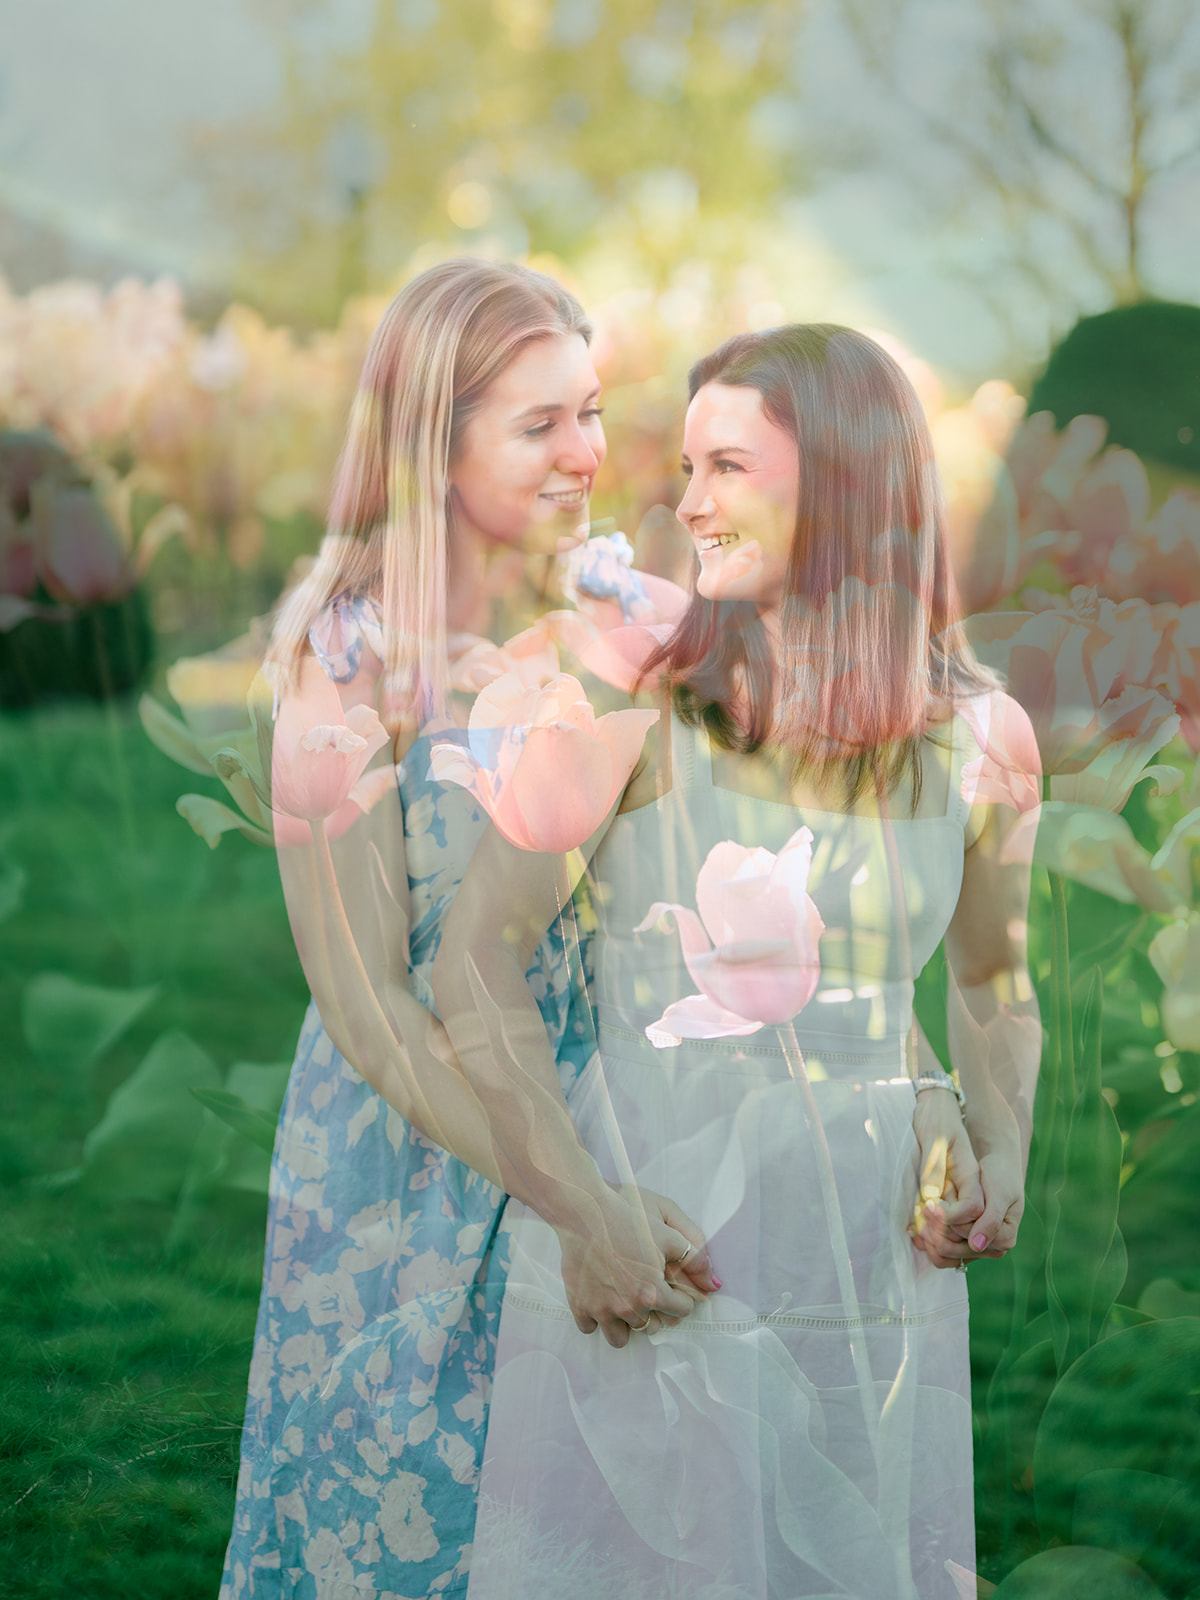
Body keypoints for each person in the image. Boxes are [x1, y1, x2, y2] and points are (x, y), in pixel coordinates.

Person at [429, 324, 1042, 1598]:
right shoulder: (632, 700)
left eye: (730, 467)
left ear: (847, 486)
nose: (688, 505)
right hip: (660, 1241)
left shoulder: (985, 738)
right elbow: (475, 958)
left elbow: (985, 979)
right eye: (688, 467)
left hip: (872, 1264)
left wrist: (999, 1141)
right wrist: (582, 1211)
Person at [221, 258, 715, 1600]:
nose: (587, 455)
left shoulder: (609, 627)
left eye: (594, 411)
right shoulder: (350, 659)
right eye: (539, 423)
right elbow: (365, 1002)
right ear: (434, 443)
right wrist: (574, 1203)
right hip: (411, 1176)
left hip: (607, 1133)